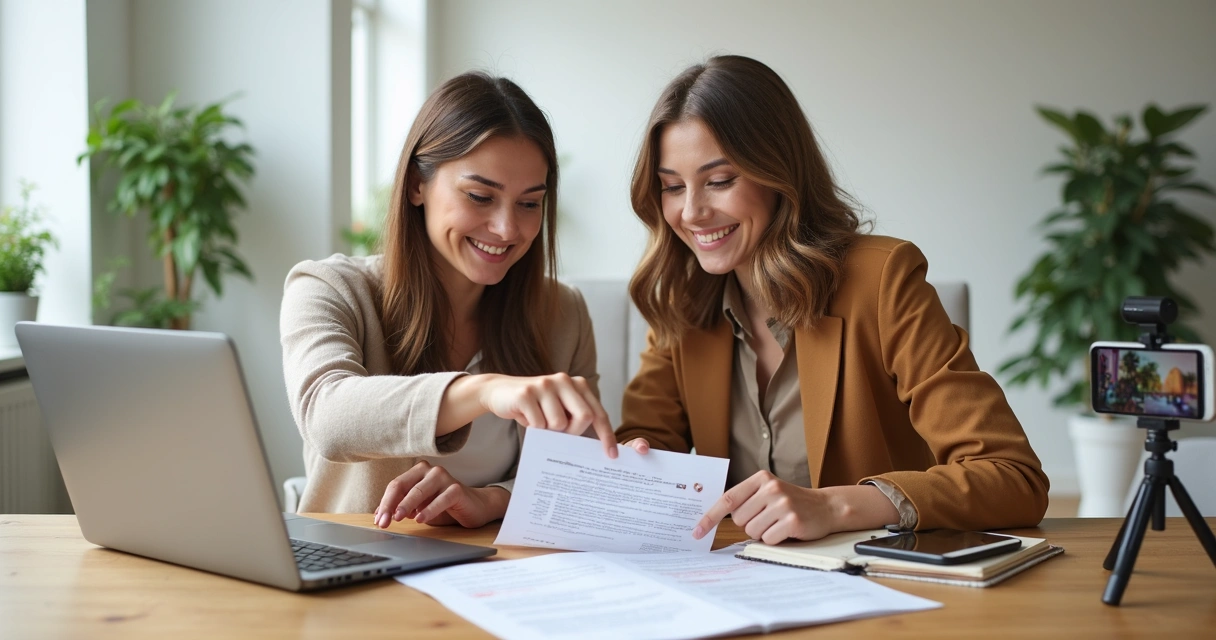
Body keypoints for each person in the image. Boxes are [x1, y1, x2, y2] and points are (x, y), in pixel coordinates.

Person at [615, 55, 1049, 544]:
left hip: (883, 587)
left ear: (778, 172)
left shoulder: (883, 280)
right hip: (738, 581)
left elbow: (1013, 478)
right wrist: (622, 461)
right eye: (672, 187)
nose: (691, 212)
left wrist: (835, 505)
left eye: (719, 181)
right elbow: (646, 447)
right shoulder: (682, 299)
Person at [280, 72, 617, 528]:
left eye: (529, 203)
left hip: (507, 574)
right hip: (361, 570)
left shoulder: (562, 313)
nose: (507, 229)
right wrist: (485, 390)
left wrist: (491, 500)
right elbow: (328, 417)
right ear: (418, 185)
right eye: (480, 196)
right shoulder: (329, 288)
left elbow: (575, 475)